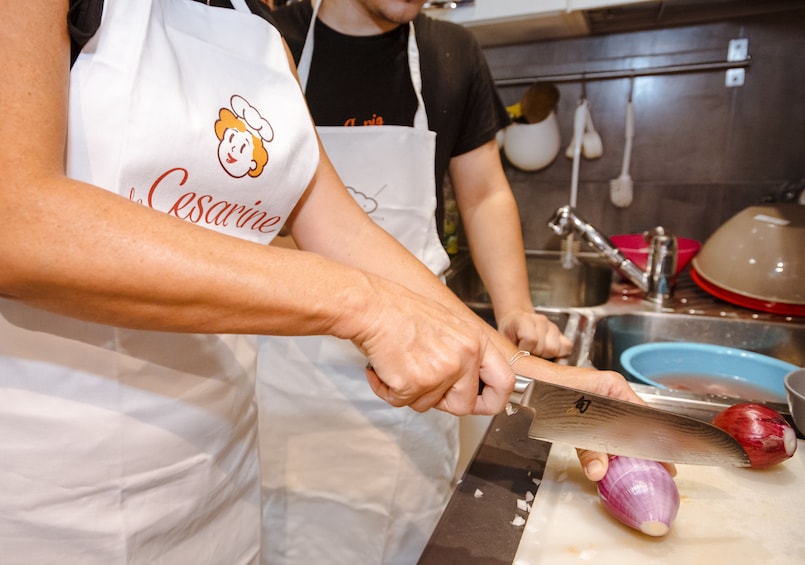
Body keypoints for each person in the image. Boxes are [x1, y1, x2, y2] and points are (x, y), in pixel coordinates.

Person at [1, 0, 641, 563]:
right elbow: (16, 219)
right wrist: (360, 305)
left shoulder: (255, 31)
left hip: (216, 484)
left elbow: (345, 235)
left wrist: (538, 376)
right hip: (58, 495)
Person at [257, 1, 570, 563]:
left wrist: (514, 308)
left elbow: (484, 192)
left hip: (424, 378)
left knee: (406, 542)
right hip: (286, 377)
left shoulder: (451, 54)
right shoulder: (264, 36)